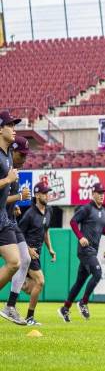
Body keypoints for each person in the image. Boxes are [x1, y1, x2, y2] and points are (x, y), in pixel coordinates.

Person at [58, 182, 105, 322]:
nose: (101, 195)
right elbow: (73, 222)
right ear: (93, 193)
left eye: (103, 193)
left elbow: (101, 227)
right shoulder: (86, 208)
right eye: (99, 192)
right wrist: (80, 237)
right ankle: (83, 302)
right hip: (85, 250)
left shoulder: (104, 211)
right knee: (98, 273)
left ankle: (65, 308)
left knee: (79, 282)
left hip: (93, 250)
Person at [0, 136, 32, 325]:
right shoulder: (6, 164)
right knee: (15, 261)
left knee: (23, 259)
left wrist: (15, 205)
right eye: (22, 154)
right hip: (4, 220)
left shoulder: (11, 165)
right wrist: (18, 197)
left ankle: (10, 306)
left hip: (10, 220)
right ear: (13, 150)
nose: (25, 158)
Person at [16, 182, 55, 325]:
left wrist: (50, 248)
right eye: (44, 193)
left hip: (37, 253)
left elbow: (46, 231)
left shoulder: (49, 210)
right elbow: (18, 234)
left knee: (31, 288)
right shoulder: (30, 214)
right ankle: (29, 317)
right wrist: (28, 249)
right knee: (40, 281)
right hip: (27, 252)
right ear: (37, 195)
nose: (47, 195)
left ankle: (13, 278)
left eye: (48, 192)